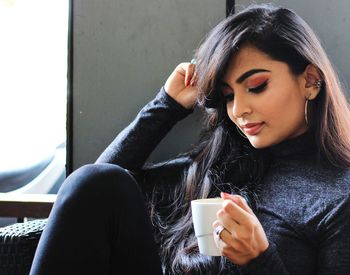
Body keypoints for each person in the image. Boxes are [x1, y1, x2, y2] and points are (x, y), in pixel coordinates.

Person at [30, 3, 350, 275]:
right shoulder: (222, 163)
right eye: (227, 96)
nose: (238, 110)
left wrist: (259, 260)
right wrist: (165, 106)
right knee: (96, 180)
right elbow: (92, 200)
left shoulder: (339, 197)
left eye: (256, 86)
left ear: (310, 80)